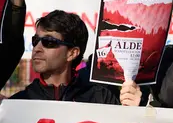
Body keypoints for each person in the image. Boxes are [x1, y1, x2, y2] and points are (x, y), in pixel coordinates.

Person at [10, 10, 141, 105]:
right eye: (35, 40)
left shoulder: (100, 98)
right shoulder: (19, 103)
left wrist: (131, 113)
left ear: (72, 53)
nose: (37, 48)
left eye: (49, 42)